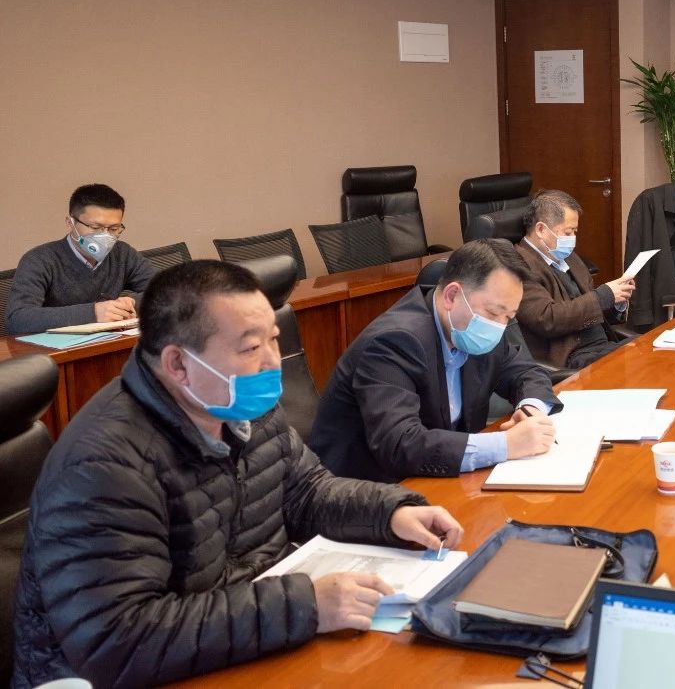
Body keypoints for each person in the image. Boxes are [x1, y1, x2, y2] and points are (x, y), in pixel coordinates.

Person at [11, 261, 463, 689]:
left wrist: (390, 514)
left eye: (273, 339)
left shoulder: (237, 404)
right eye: (250, 348)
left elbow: (306, 492)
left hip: (237, 637)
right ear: (177, 364)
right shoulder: (104, 465)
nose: (272, 362)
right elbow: (119, 641)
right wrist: (306, 605)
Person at [308, 239, 562, 482]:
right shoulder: (393, 342)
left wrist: (531, 410)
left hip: (441, 477)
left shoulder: (476, 327)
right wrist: (505, 444)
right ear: (451, 296)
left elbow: (527, 372)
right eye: (495, 313)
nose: (499, 326)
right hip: (368, 490)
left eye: (509, 316)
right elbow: (400, 444)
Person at [5, 183, 156, 335]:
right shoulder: (39, 260)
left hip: (109, 343)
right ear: (70, 223)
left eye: (113, 229)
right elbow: (18, 319)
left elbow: (166, 291)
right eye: (95, 228)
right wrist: (93, 313)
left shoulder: (122, 254)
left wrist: (131, 304)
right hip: (55, 348)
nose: (105, 236)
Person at [515, 190, 634, 369]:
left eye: (575, 231)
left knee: (656, 350)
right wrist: (603, 296)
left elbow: (590, 310)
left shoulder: (567, 257)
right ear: (540, 229)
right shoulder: (519, 264)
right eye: (568, 232)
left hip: (604, 345)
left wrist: (616, 301)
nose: (573, 239)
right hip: (574, 357)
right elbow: (548, 319)